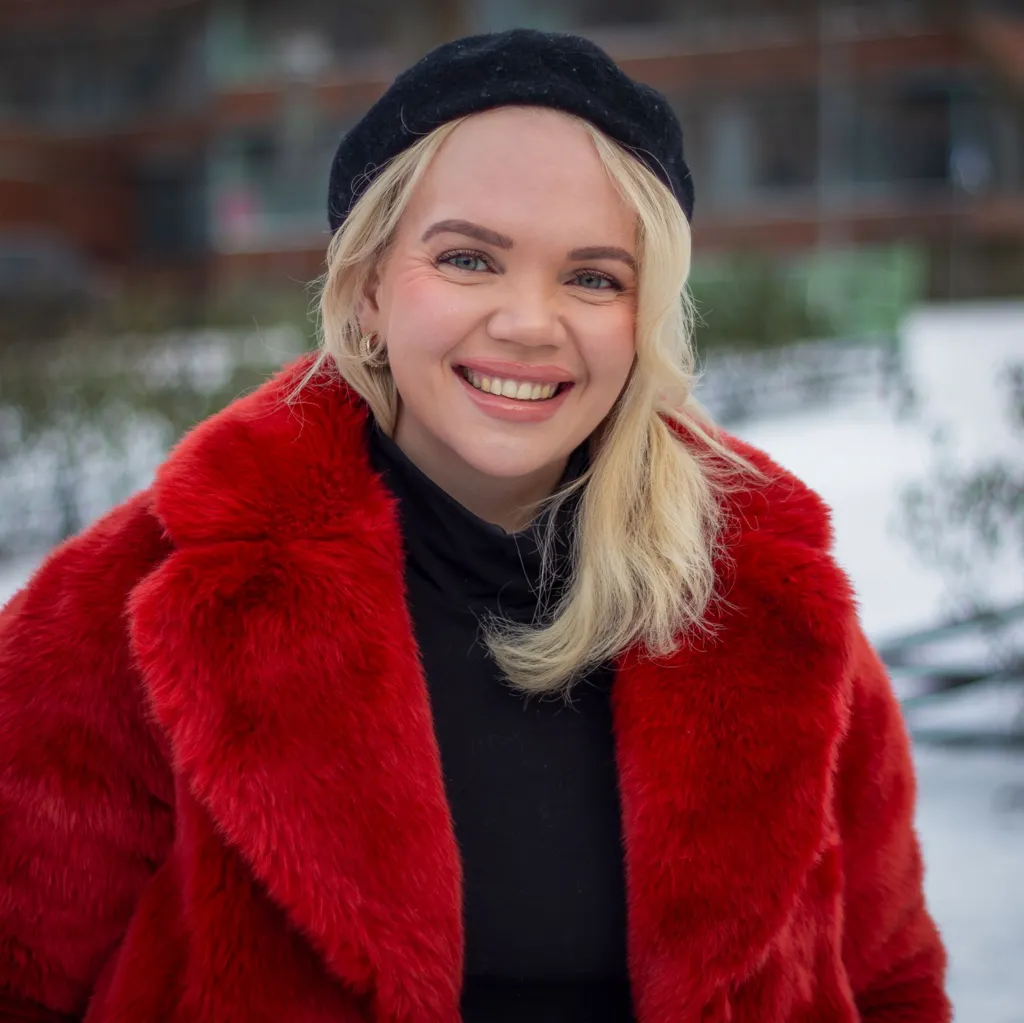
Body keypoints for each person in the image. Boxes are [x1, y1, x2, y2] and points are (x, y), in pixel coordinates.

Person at [0, 29, 950, 1023]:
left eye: (593, 276)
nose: (529, 322)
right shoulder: (135, 609)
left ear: (645, 316)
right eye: (467, 259)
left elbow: (887, 978)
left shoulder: (772, 611)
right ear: (366, 292)